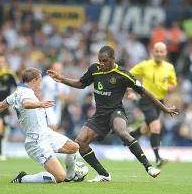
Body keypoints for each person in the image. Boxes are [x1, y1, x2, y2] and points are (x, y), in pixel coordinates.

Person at [47, 46, 178, 182]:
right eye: (100, 61)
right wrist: (61, 78)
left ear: (113, 59)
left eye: (105, 61)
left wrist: (164, 108)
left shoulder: (123, 74)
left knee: (122, 132)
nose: (102, 64)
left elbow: (144, 92)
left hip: (116, 111)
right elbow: (81, 84)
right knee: (80, 142)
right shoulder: (94, 69)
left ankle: (149, 167)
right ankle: (104, 174)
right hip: (99, 115)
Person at [0, 67, 80, 183]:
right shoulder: (25, 93)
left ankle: (71, 176)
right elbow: (26, 103)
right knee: (59, 177)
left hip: (46, 133)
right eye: (39, 80)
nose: (40, 83)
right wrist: (40, 103)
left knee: (74, 147)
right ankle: (23, 178)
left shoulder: (17, 93)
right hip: (36, 142)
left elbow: (1, 106)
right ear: (34, 81)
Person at [129, 42, 177, 167]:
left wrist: (166, 86)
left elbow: (173, 84)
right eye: (157, 51)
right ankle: (158, 158)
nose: (159, 54)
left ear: (165, 53)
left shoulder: (169, 67)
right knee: (156, 127)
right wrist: (130, 90)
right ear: (152, 52)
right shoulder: (145, 65)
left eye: (161, 51)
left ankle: (132, 135)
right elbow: (129, 75)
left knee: (146, 128)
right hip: (147, 99)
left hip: (160, 101)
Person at [39, 62, 72, 131]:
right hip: (47, 106)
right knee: (53, 126)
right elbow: (38, 91)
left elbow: (69, 96)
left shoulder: (63, 81)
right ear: (52, 69)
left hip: (57, 107)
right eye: (56, 69)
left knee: (54, 128)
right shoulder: (46, 79)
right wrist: (40, 103)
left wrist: (62, 96)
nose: (57, 71)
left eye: (59, 69)